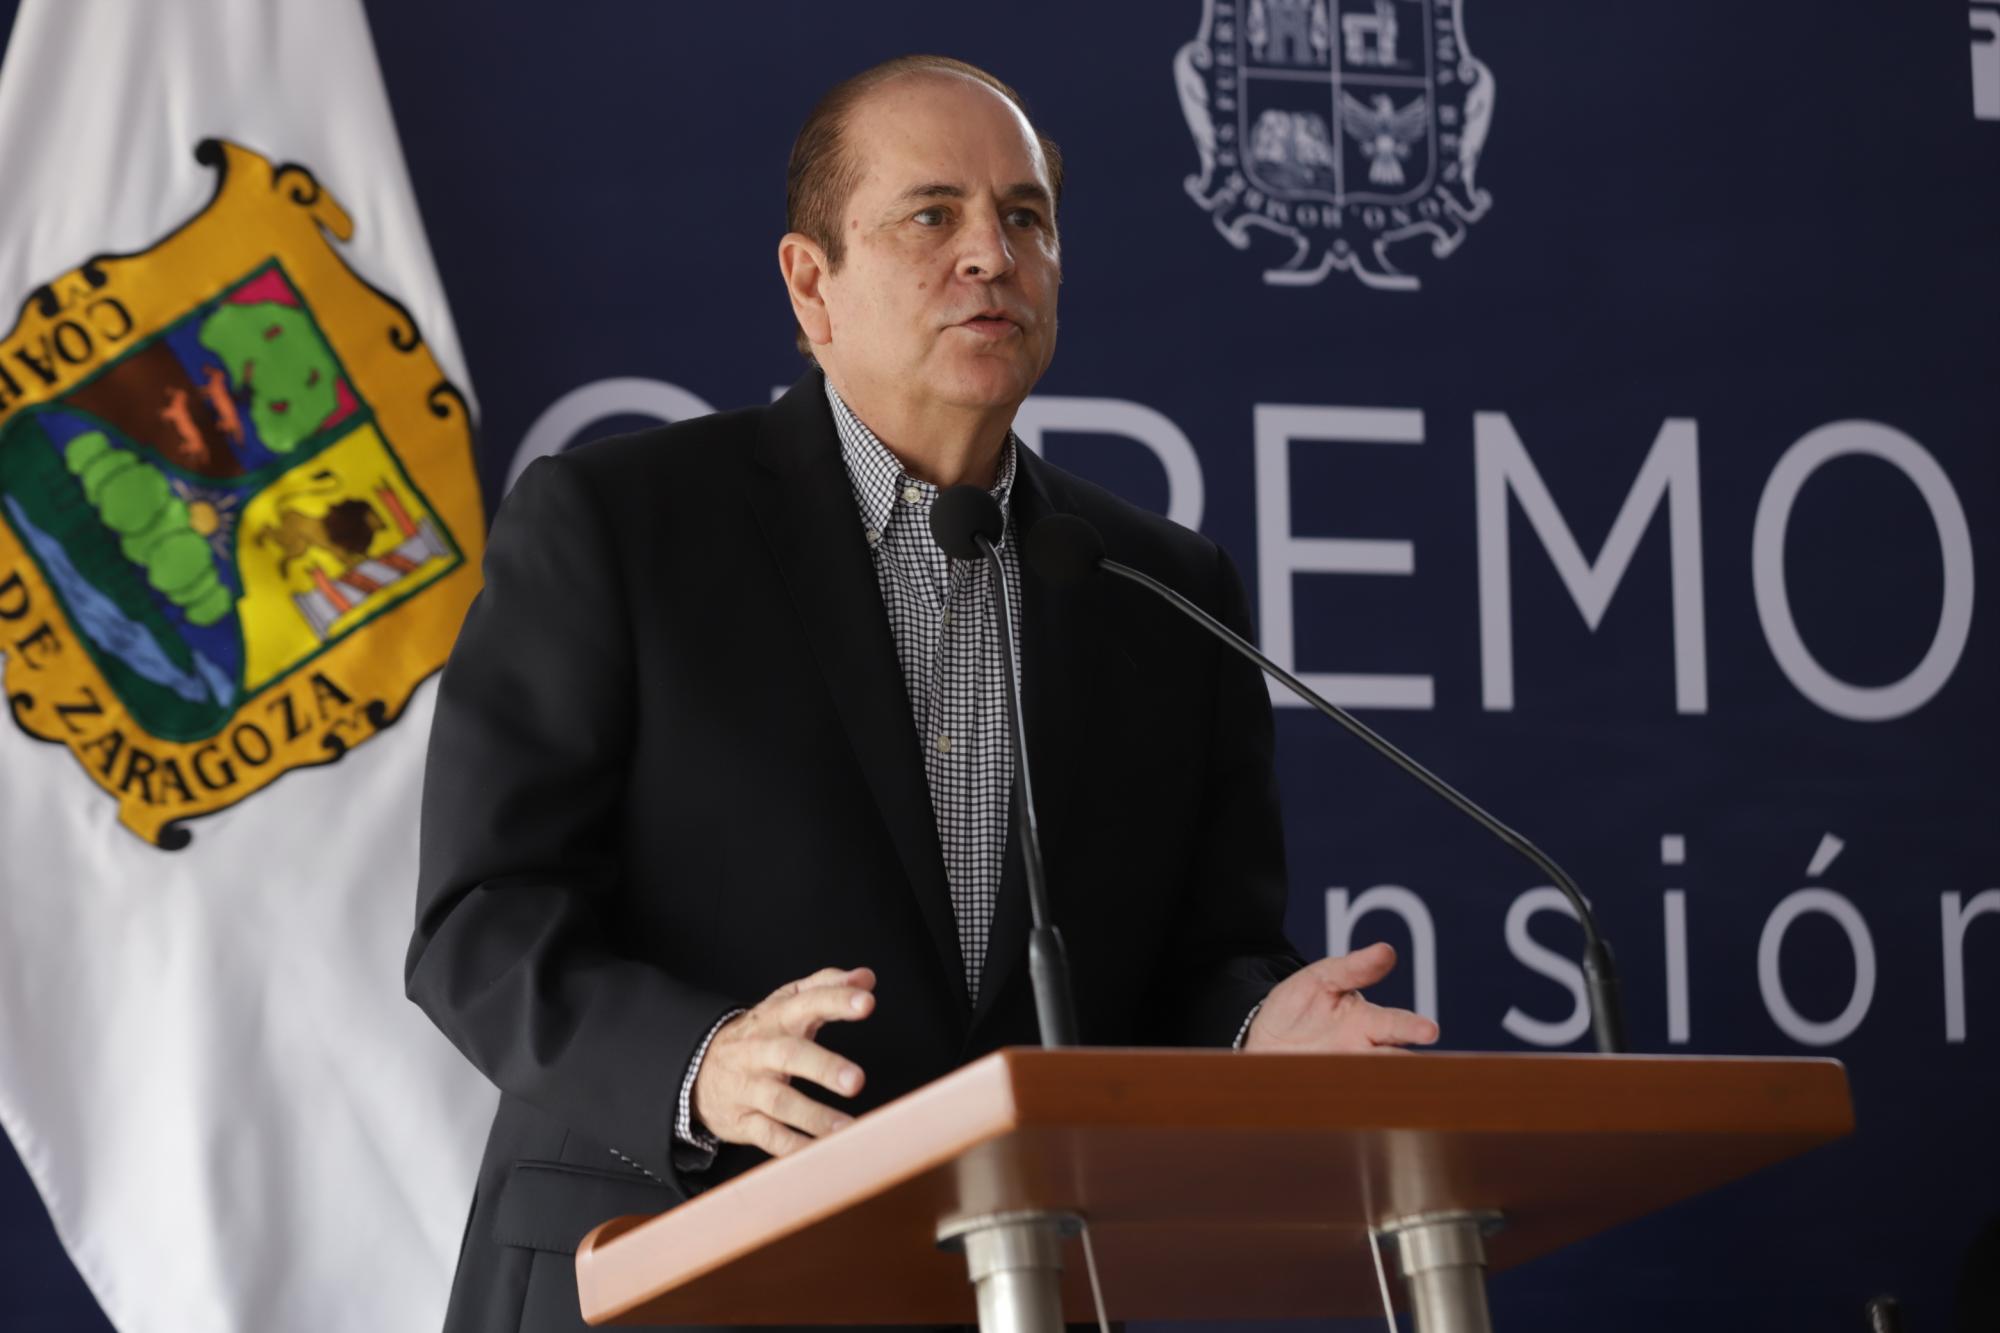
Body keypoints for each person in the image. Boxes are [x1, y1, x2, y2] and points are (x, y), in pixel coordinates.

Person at [406, 54, 1438, 1333]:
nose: (991, 256)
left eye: (1025, 218)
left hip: (1003, 1283)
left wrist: (1252, 1031)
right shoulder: (620, 525)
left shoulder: (1157, 588)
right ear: (811, 282)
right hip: (654, 1268)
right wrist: (699, 1065)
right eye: (930, 215)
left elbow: (1200, 952)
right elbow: (482, 917)